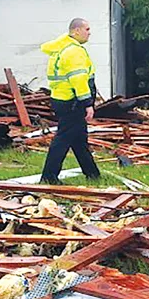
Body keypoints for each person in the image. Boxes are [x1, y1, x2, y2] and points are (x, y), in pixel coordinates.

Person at [39, 18, 101, 184]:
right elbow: (78, 80)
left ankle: (93, 174)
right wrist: (87, 103)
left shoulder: (62, 48)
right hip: (72, 102)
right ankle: (49, 177)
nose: (89, 32)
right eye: (87, 29)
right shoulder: (74, 52)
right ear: (76, 31)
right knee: (63, 139)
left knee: (79, 140)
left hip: (63, 99)